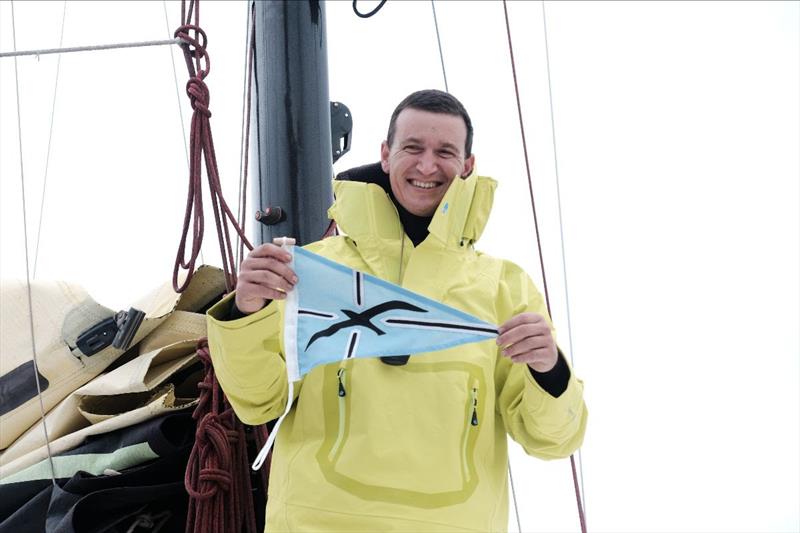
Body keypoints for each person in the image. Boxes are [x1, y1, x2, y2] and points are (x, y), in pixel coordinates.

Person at [206, 89, 587, 532]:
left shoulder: (505, 288)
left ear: (468, 165)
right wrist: (246, 312)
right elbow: (257, 402)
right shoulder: (312, 271)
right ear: (386, 155)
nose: (427, 166)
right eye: (412, 148)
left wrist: (550, 369)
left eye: (445, 151)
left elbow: (552, 440)